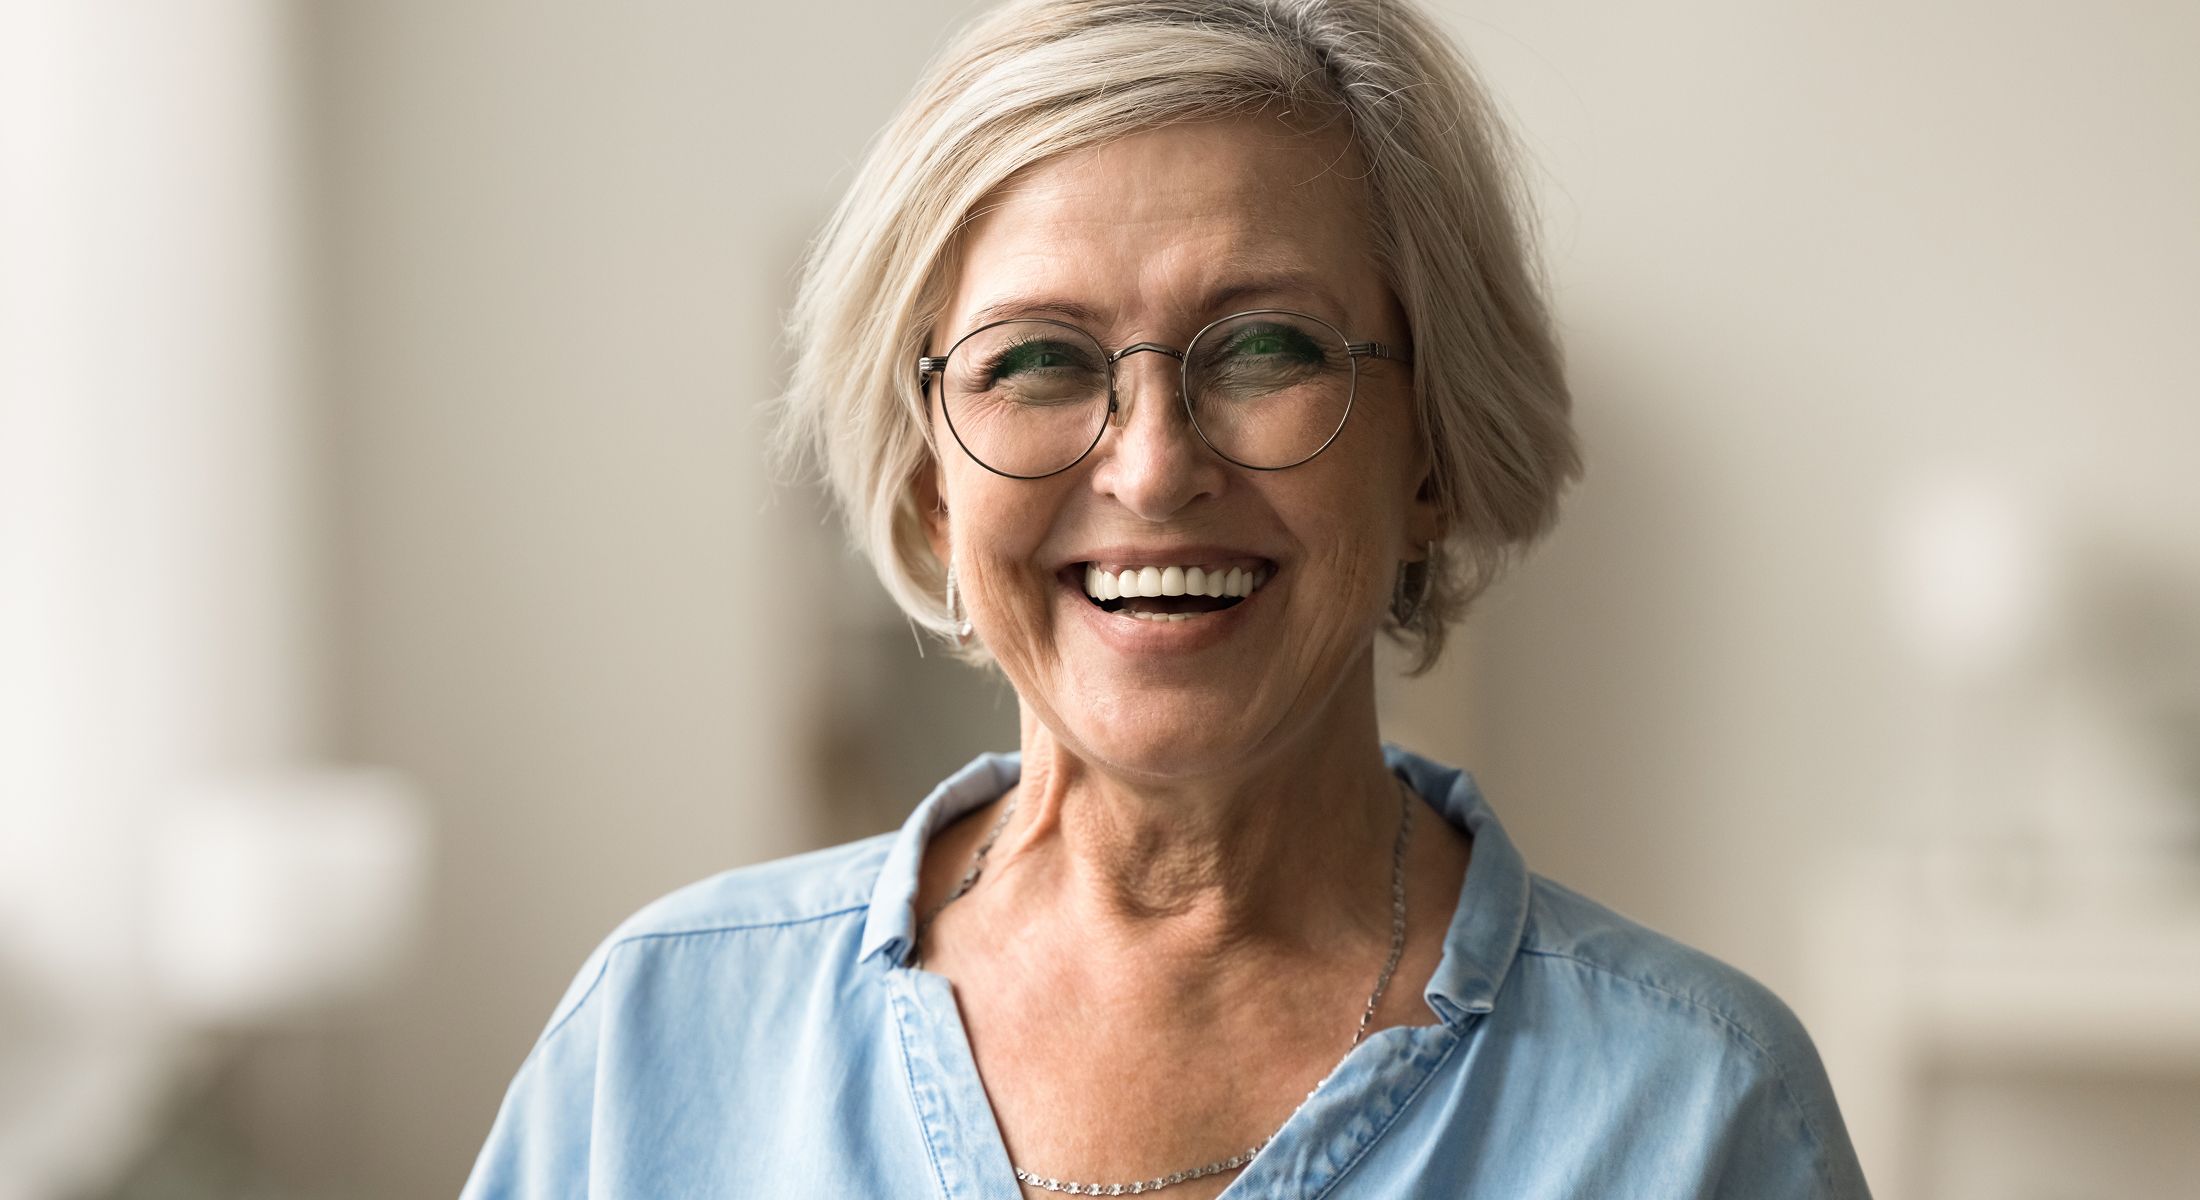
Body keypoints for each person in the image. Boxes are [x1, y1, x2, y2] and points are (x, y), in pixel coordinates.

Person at [461, 0, 1870, 1195]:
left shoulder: (1697, 1116)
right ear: (926, 485)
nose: (1150, 466)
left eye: (1265, 347)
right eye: (1036, 362)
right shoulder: (655, 1044)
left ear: (1432, 450)